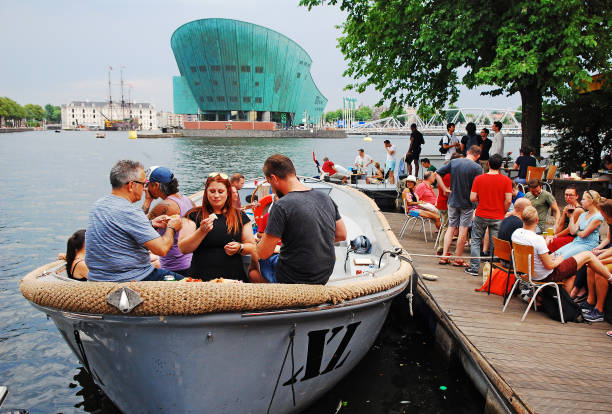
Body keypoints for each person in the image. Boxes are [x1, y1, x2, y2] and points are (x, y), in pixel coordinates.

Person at [85, 160, 183, 282]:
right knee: (193, 287)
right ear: (131, 185)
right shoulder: (129, 211)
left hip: (99, 278)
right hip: (132, 278)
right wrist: (172, 228)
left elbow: (118, 231)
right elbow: (161, 249)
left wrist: (150, 224)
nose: (144, 189)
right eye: (143, 184)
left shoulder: (98, 205)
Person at [256, 154, 347, 284]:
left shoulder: (281, 205)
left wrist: (251, 247)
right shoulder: (325, 197)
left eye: (270, 182)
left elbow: (264, 253)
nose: (273, 189)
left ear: (274, 178)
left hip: (292, 278)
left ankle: (271, 294)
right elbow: (342, 235)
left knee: (257, 261)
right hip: (323, 275)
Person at [511, 206, 612, 295]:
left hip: (528, 273)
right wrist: (560, 259)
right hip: (544, 275)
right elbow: (549, 266)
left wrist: (548, 251)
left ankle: (565, 302)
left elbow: (534, 254)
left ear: (522, 219)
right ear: (537, 220)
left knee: (570, 269)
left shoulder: (516, 233)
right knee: (588, 255)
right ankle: (610, 278)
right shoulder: (537, 239)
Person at [178, 172, 256, 282]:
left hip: (233, 280)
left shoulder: (240, 216)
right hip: (200, 280)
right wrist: (201, 231)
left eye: (221, 191)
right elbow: (183, 248)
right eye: (212, 191)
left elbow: (252, 246)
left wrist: (240, 247)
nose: (216, 196)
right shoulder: (193, 215)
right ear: (206, 192)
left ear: (227, 193)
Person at [142, 166, 195, 276]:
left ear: (156, 185)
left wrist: (147, 201)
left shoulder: (164, 206)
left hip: (174, 268)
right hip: (190, 261)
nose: (145, 188)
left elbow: (138, 226)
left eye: (147, 184)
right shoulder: (186, 200)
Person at [466, 154, 512, 275]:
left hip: (481, 213)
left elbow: (472, 198)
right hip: (498, 215)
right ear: (501, 166)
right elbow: (508, 200)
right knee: (495, 243)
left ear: (488, 164)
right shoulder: (507, 180)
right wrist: (504, 210)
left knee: (476, 240)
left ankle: (474, 268)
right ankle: (494, 269)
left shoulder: (479, 179)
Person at [436, 145, 483, 266]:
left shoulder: (454, 162)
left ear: (467, 152)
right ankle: (458, 258)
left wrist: (444, 188)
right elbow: (478, 187)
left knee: (451, 227)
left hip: (452, 200)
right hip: (467, 202)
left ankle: (445, 255)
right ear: (478, 156)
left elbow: (437, 174)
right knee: (463, 229)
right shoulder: (477, 168)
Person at [554, 190, 603, 259]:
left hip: (588, 245)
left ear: (591, 201)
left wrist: (576, 231)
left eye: (583, 199)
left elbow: (583, 234)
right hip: (577, 242)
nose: (581, 201)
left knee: (561, 257)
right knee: (554, 255)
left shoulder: (598, 216)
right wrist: (571, 217)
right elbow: (572, 231)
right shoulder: (583, 214)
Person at [547, 187, 580, 252]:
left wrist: (555, 236)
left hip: (574, 237)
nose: (568, 197)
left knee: (552, 241)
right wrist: (552, 235)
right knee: (546, 237)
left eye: (571, 195)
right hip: (566, 235)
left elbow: (569, 229)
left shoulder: (578, 210)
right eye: (566, 195)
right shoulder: (567, 207)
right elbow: (560, 225)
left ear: (577, 196)